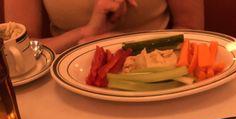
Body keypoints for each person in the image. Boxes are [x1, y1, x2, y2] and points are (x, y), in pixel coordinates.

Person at [4, 0, 204, 53]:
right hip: (64, 89)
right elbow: (18, 50)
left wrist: (125, 45)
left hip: (163, 79)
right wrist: (85, 33)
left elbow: (192, 30)